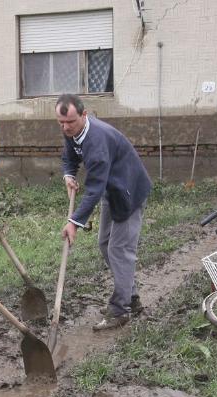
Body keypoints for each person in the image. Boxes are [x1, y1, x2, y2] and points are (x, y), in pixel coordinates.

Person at [55, 94, 152, 331]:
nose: (66, 127)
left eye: (71, 122)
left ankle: (120, 310)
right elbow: (70, 157)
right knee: (104, 243)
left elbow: (94, 190)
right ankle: (131, 297)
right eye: (61, 122)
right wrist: (68, 174)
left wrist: (74, 222)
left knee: (120, 250)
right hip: (113, 188)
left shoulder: (96, 141)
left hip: (129, 190)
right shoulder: (73, 131)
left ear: (84, 115)